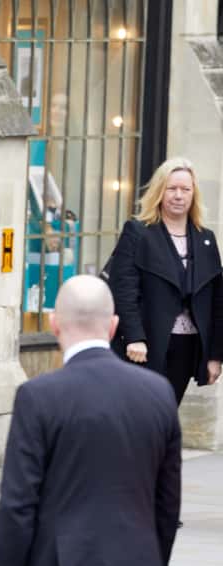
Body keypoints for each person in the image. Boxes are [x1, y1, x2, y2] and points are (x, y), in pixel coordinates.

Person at [0, 275, 181, 566]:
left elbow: (18, 505)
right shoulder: (158, 392)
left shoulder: (39, 397)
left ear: (54, 324)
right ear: (113, 326)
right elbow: (167, 505)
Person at [109, 156, 223, 404]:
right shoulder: (138, 232)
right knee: (141, 413)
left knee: (167, 412)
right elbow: (123, 290)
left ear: (194, 194)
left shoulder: (206, 238)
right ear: (159, 191)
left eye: (185, 189)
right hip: (145, 347)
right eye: (172, 189)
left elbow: (217, 300)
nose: (178, 196)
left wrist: (215, 355)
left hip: (187, 346)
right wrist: (134, 337)